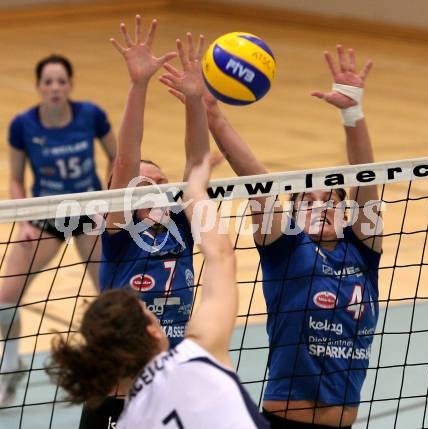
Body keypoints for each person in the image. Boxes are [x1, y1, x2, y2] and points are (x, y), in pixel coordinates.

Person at [167, 45, 381, 428]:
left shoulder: (362, 251)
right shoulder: (287, 249)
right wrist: (210, 112)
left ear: (346, 212)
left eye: (329, 199)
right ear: (293, 215)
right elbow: (256, 179)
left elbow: (367, 176)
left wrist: (353, 112)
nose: (319, 205)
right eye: (307, 200)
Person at [48, 141, 271, 428]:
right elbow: (221, 256)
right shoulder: (198, 359)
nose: (155, 189)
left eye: (161, 182)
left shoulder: (135, 419)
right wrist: (197, 190)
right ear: (152, 330)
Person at [77, 16, 211, 428]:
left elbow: (198, 161)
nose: (155, 190)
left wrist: (193, 100)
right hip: (118, 397)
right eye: (144, 185)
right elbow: (124, 160)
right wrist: (139, 85)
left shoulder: (182, 231)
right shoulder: (120, 235)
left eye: (162, 184)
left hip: (170, 392)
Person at [0, 54, 116, 406]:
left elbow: (117, 156)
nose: (54, 88)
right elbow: (17, 180)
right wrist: (22, 221)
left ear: (71, 85)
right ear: (38, 86)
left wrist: (105, 201)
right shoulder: (23, 125)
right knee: (4, 301)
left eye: (61, 81)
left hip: (87, 214)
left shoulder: (91, 116)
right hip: (44, 216)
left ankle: (110, 366)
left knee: (110, 298)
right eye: (48, 82)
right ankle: (10, 364)